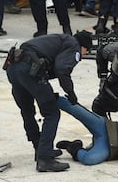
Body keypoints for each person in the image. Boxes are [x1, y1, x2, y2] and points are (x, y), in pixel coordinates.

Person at [5, 31, 93, 172]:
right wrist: (70, 92)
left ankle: (39, 148)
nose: (84, 55)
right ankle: (45, 159)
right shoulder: (73, 45)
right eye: (86, 52)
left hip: (14, 69)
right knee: (51, 113)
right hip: (30, 71)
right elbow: (61, 69)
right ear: (84, 46)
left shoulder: (59, 39)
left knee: (27, 111)